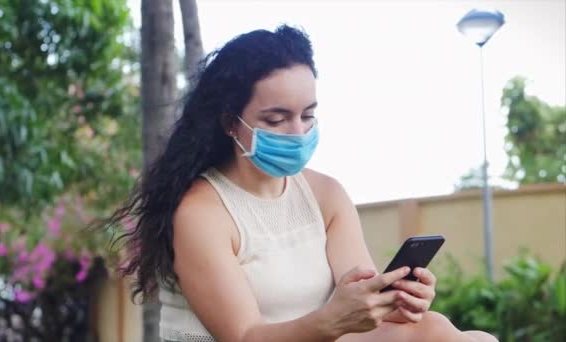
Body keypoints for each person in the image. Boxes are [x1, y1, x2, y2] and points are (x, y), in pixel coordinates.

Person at [107, 25, 498, 342]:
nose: (296, 133)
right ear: (229, 122)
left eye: (307, 115)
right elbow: (246, 337)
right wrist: (331, 320)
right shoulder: (201, 214)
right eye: (276, 120)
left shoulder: (326, 195)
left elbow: (364, 306)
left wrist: (395, 300)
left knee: (444, 331)